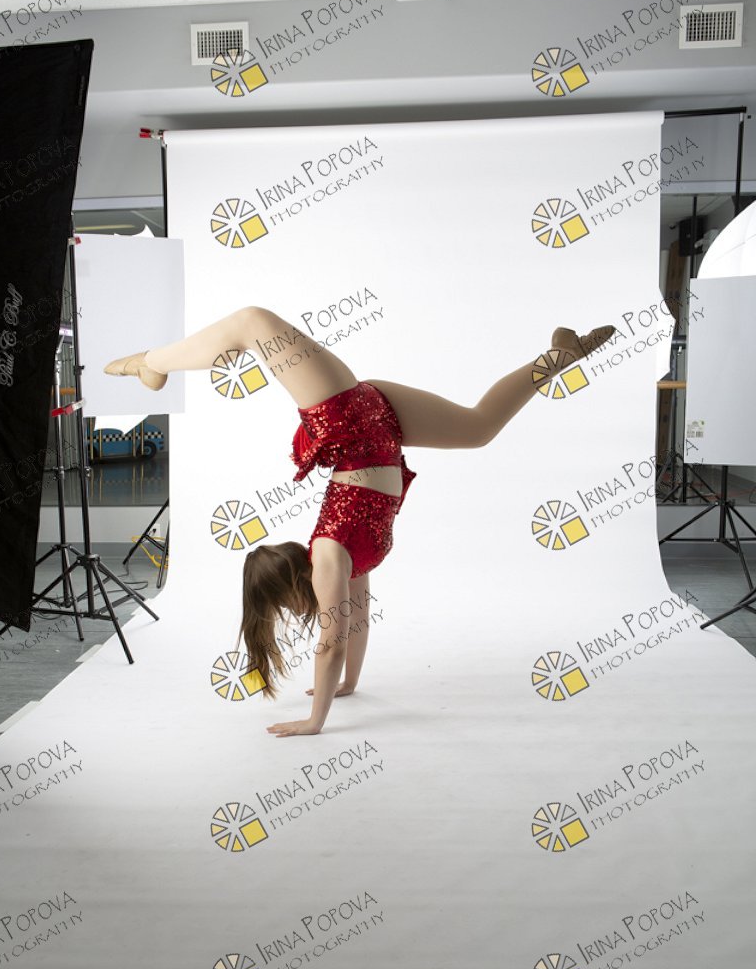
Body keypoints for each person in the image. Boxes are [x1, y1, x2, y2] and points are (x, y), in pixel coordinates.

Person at [105, 306, 615, 737]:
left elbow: (330, 644)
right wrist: (349, 683)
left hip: (347, 420)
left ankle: (150, 363)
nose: (294, 614)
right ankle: (558, 357)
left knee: (252, 322)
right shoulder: (345, 563)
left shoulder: (329, 556)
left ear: (291, 586)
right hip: (381, 420)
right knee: (478, 428)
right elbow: (357, 620)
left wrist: (315, 721)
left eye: (283, 607)